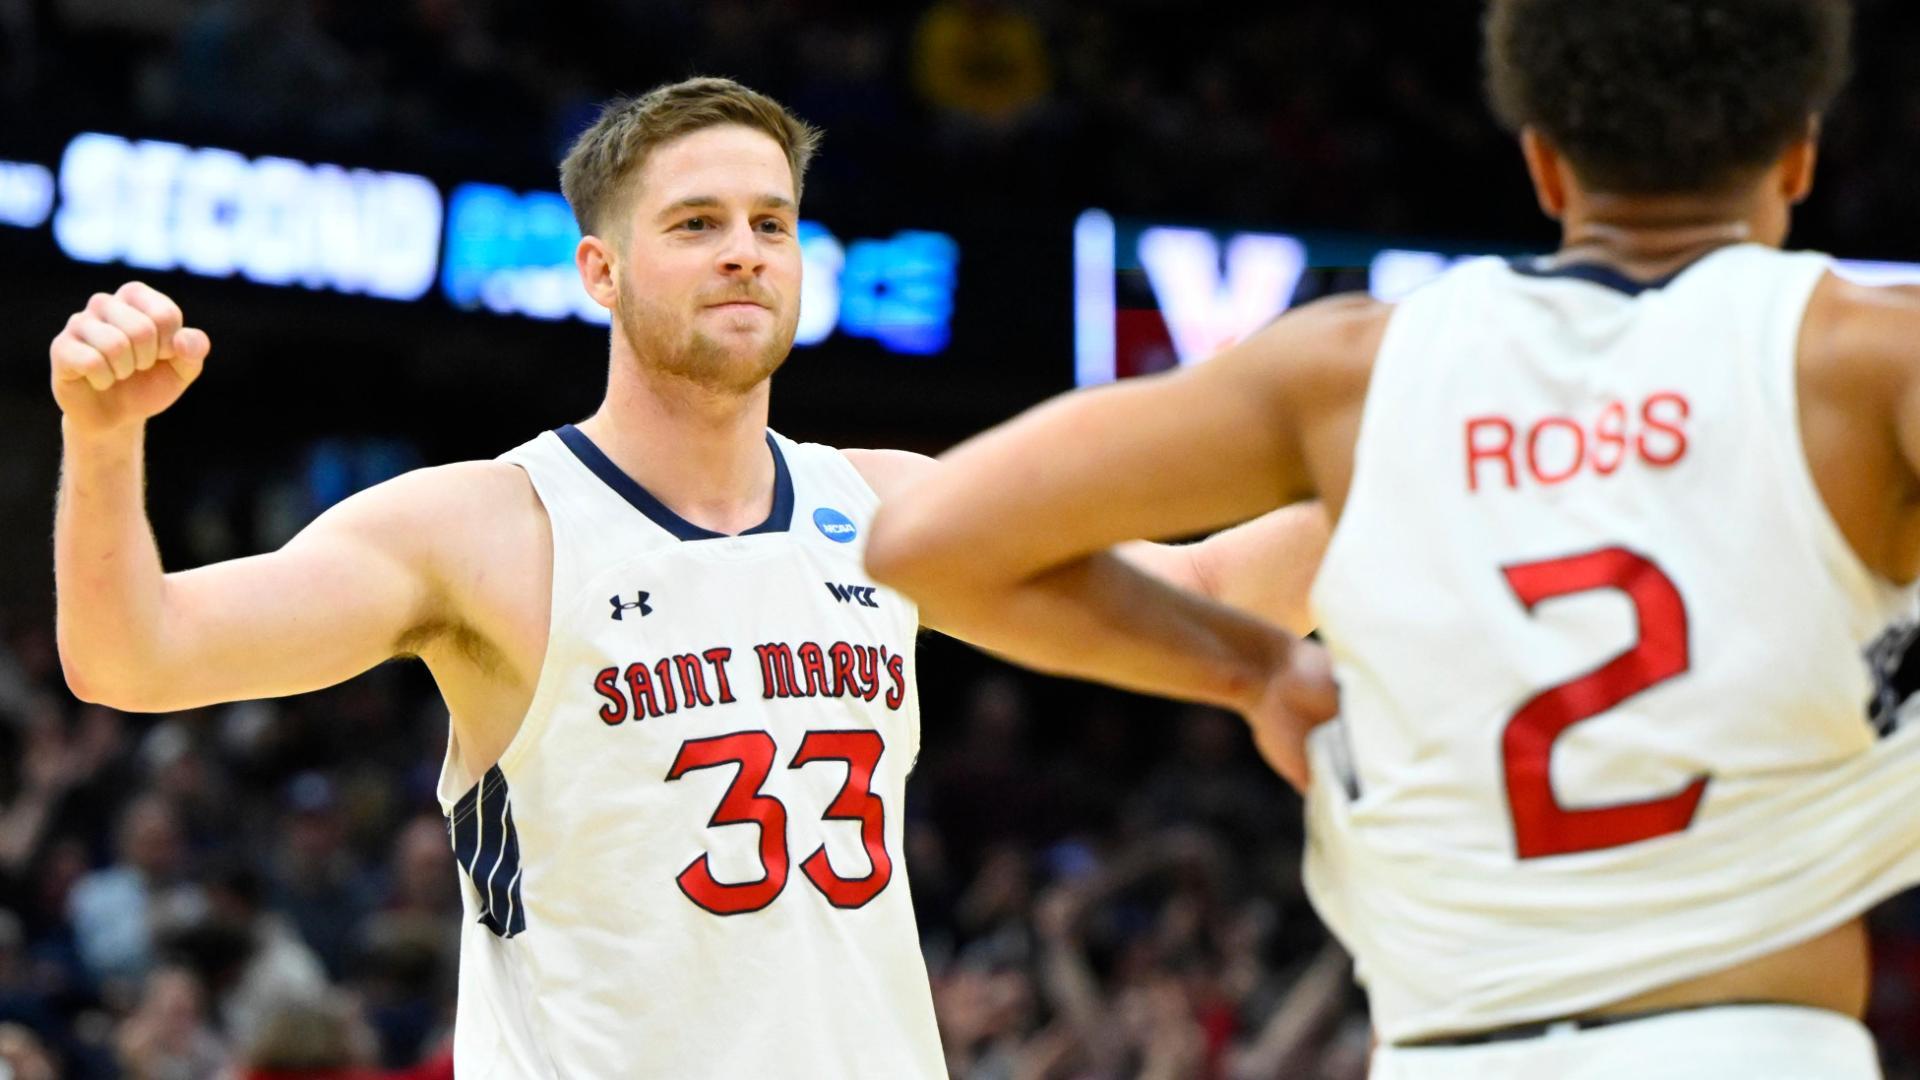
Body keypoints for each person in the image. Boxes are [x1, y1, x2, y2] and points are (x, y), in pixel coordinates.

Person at [49, 77, 1328, 1077]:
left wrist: (1414, 464)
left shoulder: (885, 506)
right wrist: (104, 443)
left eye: (772, 223)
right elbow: (134, 658)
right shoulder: (487, 525)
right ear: (599, 271)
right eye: (697, 224)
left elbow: (1213, 587)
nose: (746, 252)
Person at [866, 0, 1920, 1074]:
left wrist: (1252, 670)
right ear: (1800, 152)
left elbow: (926, 542)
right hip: (1751, 1042)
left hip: (1452, 1052)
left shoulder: (1361, 380)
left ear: (1543, 162)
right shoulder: (1871, 359)